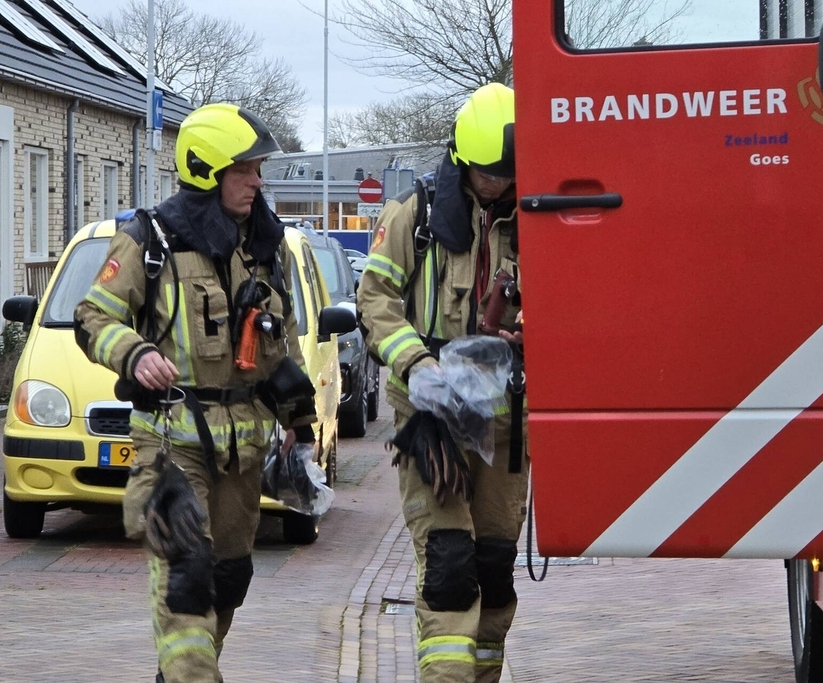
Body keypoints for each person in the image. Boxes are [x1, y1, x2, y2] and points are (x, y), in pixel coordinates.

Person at [74, 102, 317, 683]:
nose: (258, 181)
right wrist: (136, 353)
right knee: (186, 582)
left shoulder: (266, 243)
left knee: (227, 582)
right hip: (170, 449)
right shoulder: (150, 239)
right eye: (245, 169)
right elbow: (92, 318)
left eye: (258, 169)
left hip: (245, 452)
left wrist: (299, 422)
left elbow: (279, 343)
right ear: (207, 170)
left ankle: (179, 673)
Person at [357, 82, 527, 683]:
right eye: (487, 173)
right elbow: (375, 301)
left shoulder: (535, 217)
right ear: (461, 159)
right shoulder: (416, 216)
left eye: (508, 173)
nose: (498, 185)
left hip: (505, 431)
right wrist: (415, 363)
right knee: (451, 566)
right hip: (434, 426)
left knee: (494, 565)